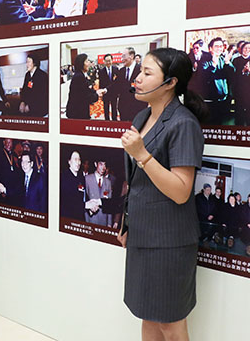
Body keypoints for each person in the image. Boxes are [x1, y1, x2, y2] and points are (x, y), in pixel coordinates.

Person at [118, 47, 208, 340]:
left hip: (170, 240)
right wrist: (127, 223)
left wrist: (142, 154)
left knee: (171, 323)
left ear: (170, 83)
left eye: (147, 73)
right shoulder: (142, 117)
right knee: (147, 314)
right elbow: (136, 182)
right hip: (142, 234)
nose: (137, 78)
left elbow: (181, 191)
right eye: (139, 71)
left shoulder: (183, 124)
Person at [188, 37, 234, 125]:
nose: (219, 48)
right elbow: (204, 78)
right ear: (210, 48)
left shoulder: (223, 59)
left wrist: (227, 63)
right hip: (210, 102)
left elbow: (232, 75)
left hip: (223, 100)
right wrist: (213, 65)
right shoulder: (204, 60)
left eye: (221, 46)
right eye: (216, 46)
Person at [65, 53, 102, 119]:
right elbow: (85, 96)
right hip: (77, 112)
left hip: (78, 110)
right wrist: (97, 95)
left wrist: (96, 92)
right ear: (81, 63)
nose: (89, 64)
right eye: (87, 61)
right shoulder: (79, 77)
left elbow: (86, 90)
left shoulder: (80, 74)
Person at [115, 47, 146, 121]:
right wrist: (105, 90)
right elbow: (115, 85)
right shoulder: (121, 71)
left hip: (138, 108)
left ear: (131, 56)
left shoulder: (141, 70)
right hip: (123, 108)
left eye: (124, 56)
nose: (122, 59)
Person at [84, 160, 113, 226]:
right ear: (95, 164)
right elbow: (84, 200)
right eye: (101, 164)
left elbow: (110, 204)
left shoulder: (108, 182)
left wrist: (109, 223)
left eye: (105, 165)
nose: (103, 168)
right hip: (91, 220)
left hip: (104, 221)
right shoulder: (87, 179)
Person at [60, 150, 86, 221]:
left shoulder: (81, 177)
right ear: (69, 161)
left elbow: (83, 196)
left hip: (80, 218)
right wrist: (86, 205)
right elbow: (67, 201)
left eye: (79, 159)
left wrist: (91, 209)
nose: (78, 162)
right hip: (68, 218)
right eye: (75, 159)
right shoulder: (63, 177)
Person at [232, 41, 250, 125]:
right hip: (239, 90)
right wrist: (243, 71)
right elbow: (233, 76)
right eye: (245, 48)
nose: (247, 50)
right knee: (239, 112)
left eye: (249, 48)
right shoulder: (236, 60)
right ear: (241, 49)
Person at [98, 54, 118, 120]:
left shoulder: (116, 69)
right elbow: (101, 83)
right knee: (106, 108)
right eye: (106, 61)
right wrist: (101, 92)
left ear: (112, 60)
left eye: (109, 61)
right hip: (105, 93)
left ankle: (114, 120)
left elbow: (117, 82)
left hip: (114, 92)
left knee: (114, 108)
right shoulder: (101, 71)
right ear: (104, 61)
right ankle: (107, 121)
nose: (108, 62)